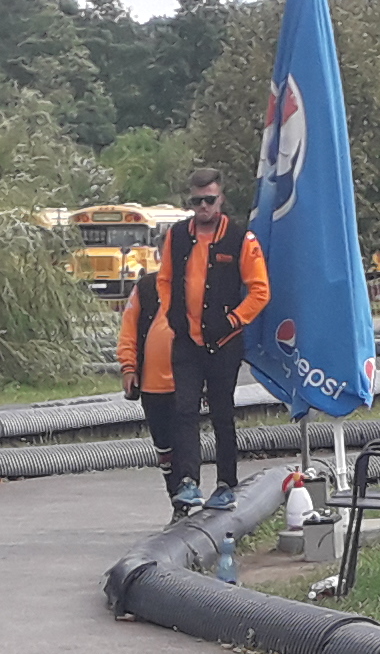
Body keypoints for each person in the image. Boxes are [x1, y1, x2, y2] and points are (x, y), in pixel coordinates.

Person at [115, 166, 268, 520]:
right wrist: (173, 316)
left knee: (222, 413)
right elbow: (165, 279)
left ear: (221, 199)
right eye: (197, 201)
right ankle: (188, 481)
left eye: (209, 200)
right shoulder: (177, 236)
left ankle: (226, 483)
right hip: (186, 341)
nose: (203, 207)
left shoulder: (241, 239)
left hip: (224, 341)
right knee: (184, 410)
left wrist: (233, 320)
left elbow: (260, 291)